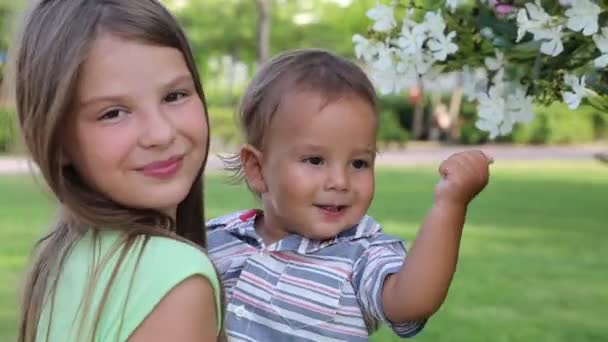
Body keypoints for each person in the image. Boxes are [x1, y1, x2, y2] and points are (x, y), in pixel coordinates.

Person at [207, 49, 492, 341]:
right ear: (257, 168)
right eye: (315, 160)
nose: (340, 182)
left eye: (359, 163)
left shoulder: (361, 253)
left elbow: (410, 302)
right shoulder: (216, 239)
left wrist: (450, 206)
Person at [14, 1, 222, 341]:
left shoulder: (65, 256)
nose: (160, 133)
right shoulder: (176, 277)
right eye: (113, 113)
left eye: (175, 95)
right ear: (58, 139)